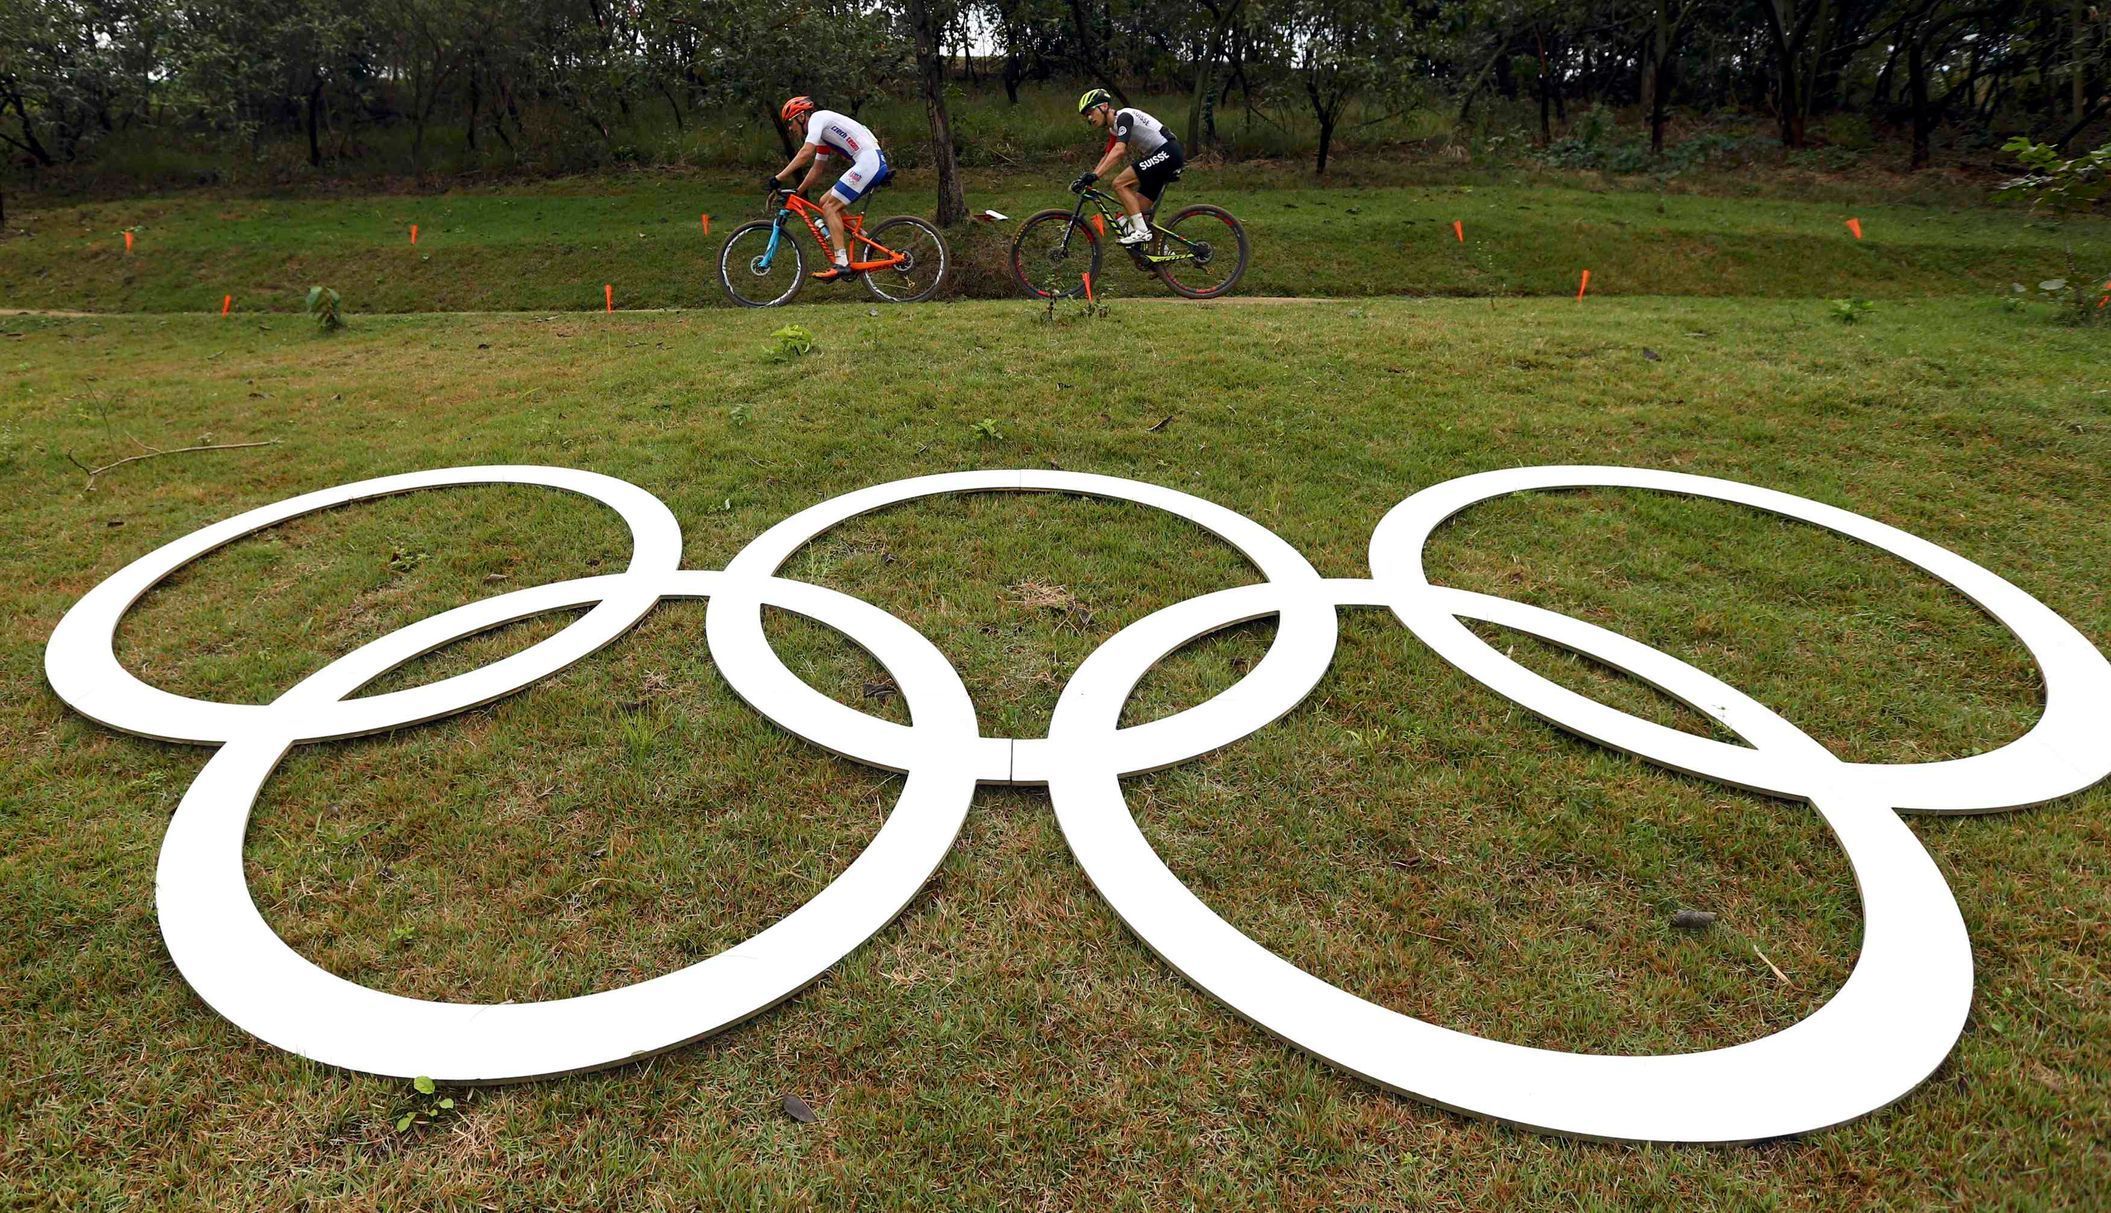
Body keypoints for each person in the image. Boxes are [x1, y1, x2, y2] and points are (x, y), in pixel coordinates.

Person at [767, 96, 891, 282]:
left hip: (868, 162)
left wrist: (778, 178)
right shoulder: (823, 133)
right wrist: (797, 192)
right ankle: (869, 241)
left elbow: (805, 153)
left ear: (801, 117)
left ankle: (841, 262)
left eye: (791, 123)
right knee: (824, 201)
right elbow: (817, 169)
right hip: (870, 161)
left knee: (830, 207)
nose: (790, 128)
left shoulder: (817, 119)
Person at [1072, 89, 1184, 246]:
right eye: (1086, 115)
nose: (1089, 118)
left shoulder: (1124, 117)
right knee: (1140, 212)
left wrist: (1096, 176)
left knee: (1119, 183)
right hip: (1161, 155)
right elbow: (1108, 155)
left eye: (1090, 111)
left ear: (1104, 106)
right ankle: (1160, 252)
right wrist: (1091, 175)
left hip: (1168, 151)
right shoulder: (1114, 128)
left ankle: (1142, 232)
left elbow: (1119, 151)